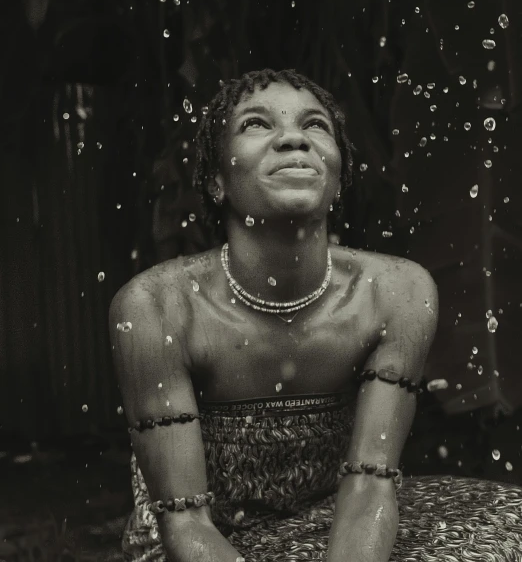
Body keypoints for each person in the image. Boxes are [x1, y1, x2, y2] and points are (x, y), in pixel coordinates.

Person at [110, 69, 522, 562]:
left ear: (340, 175)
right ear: (217, 180)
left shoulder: (397, 293)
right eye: (256, 125)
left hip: (335, 522)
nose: (292, 138)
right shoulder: (157, 307)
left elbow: (370, 486)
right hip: (206, 540)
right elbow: (185, 525)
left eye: (316, 125)